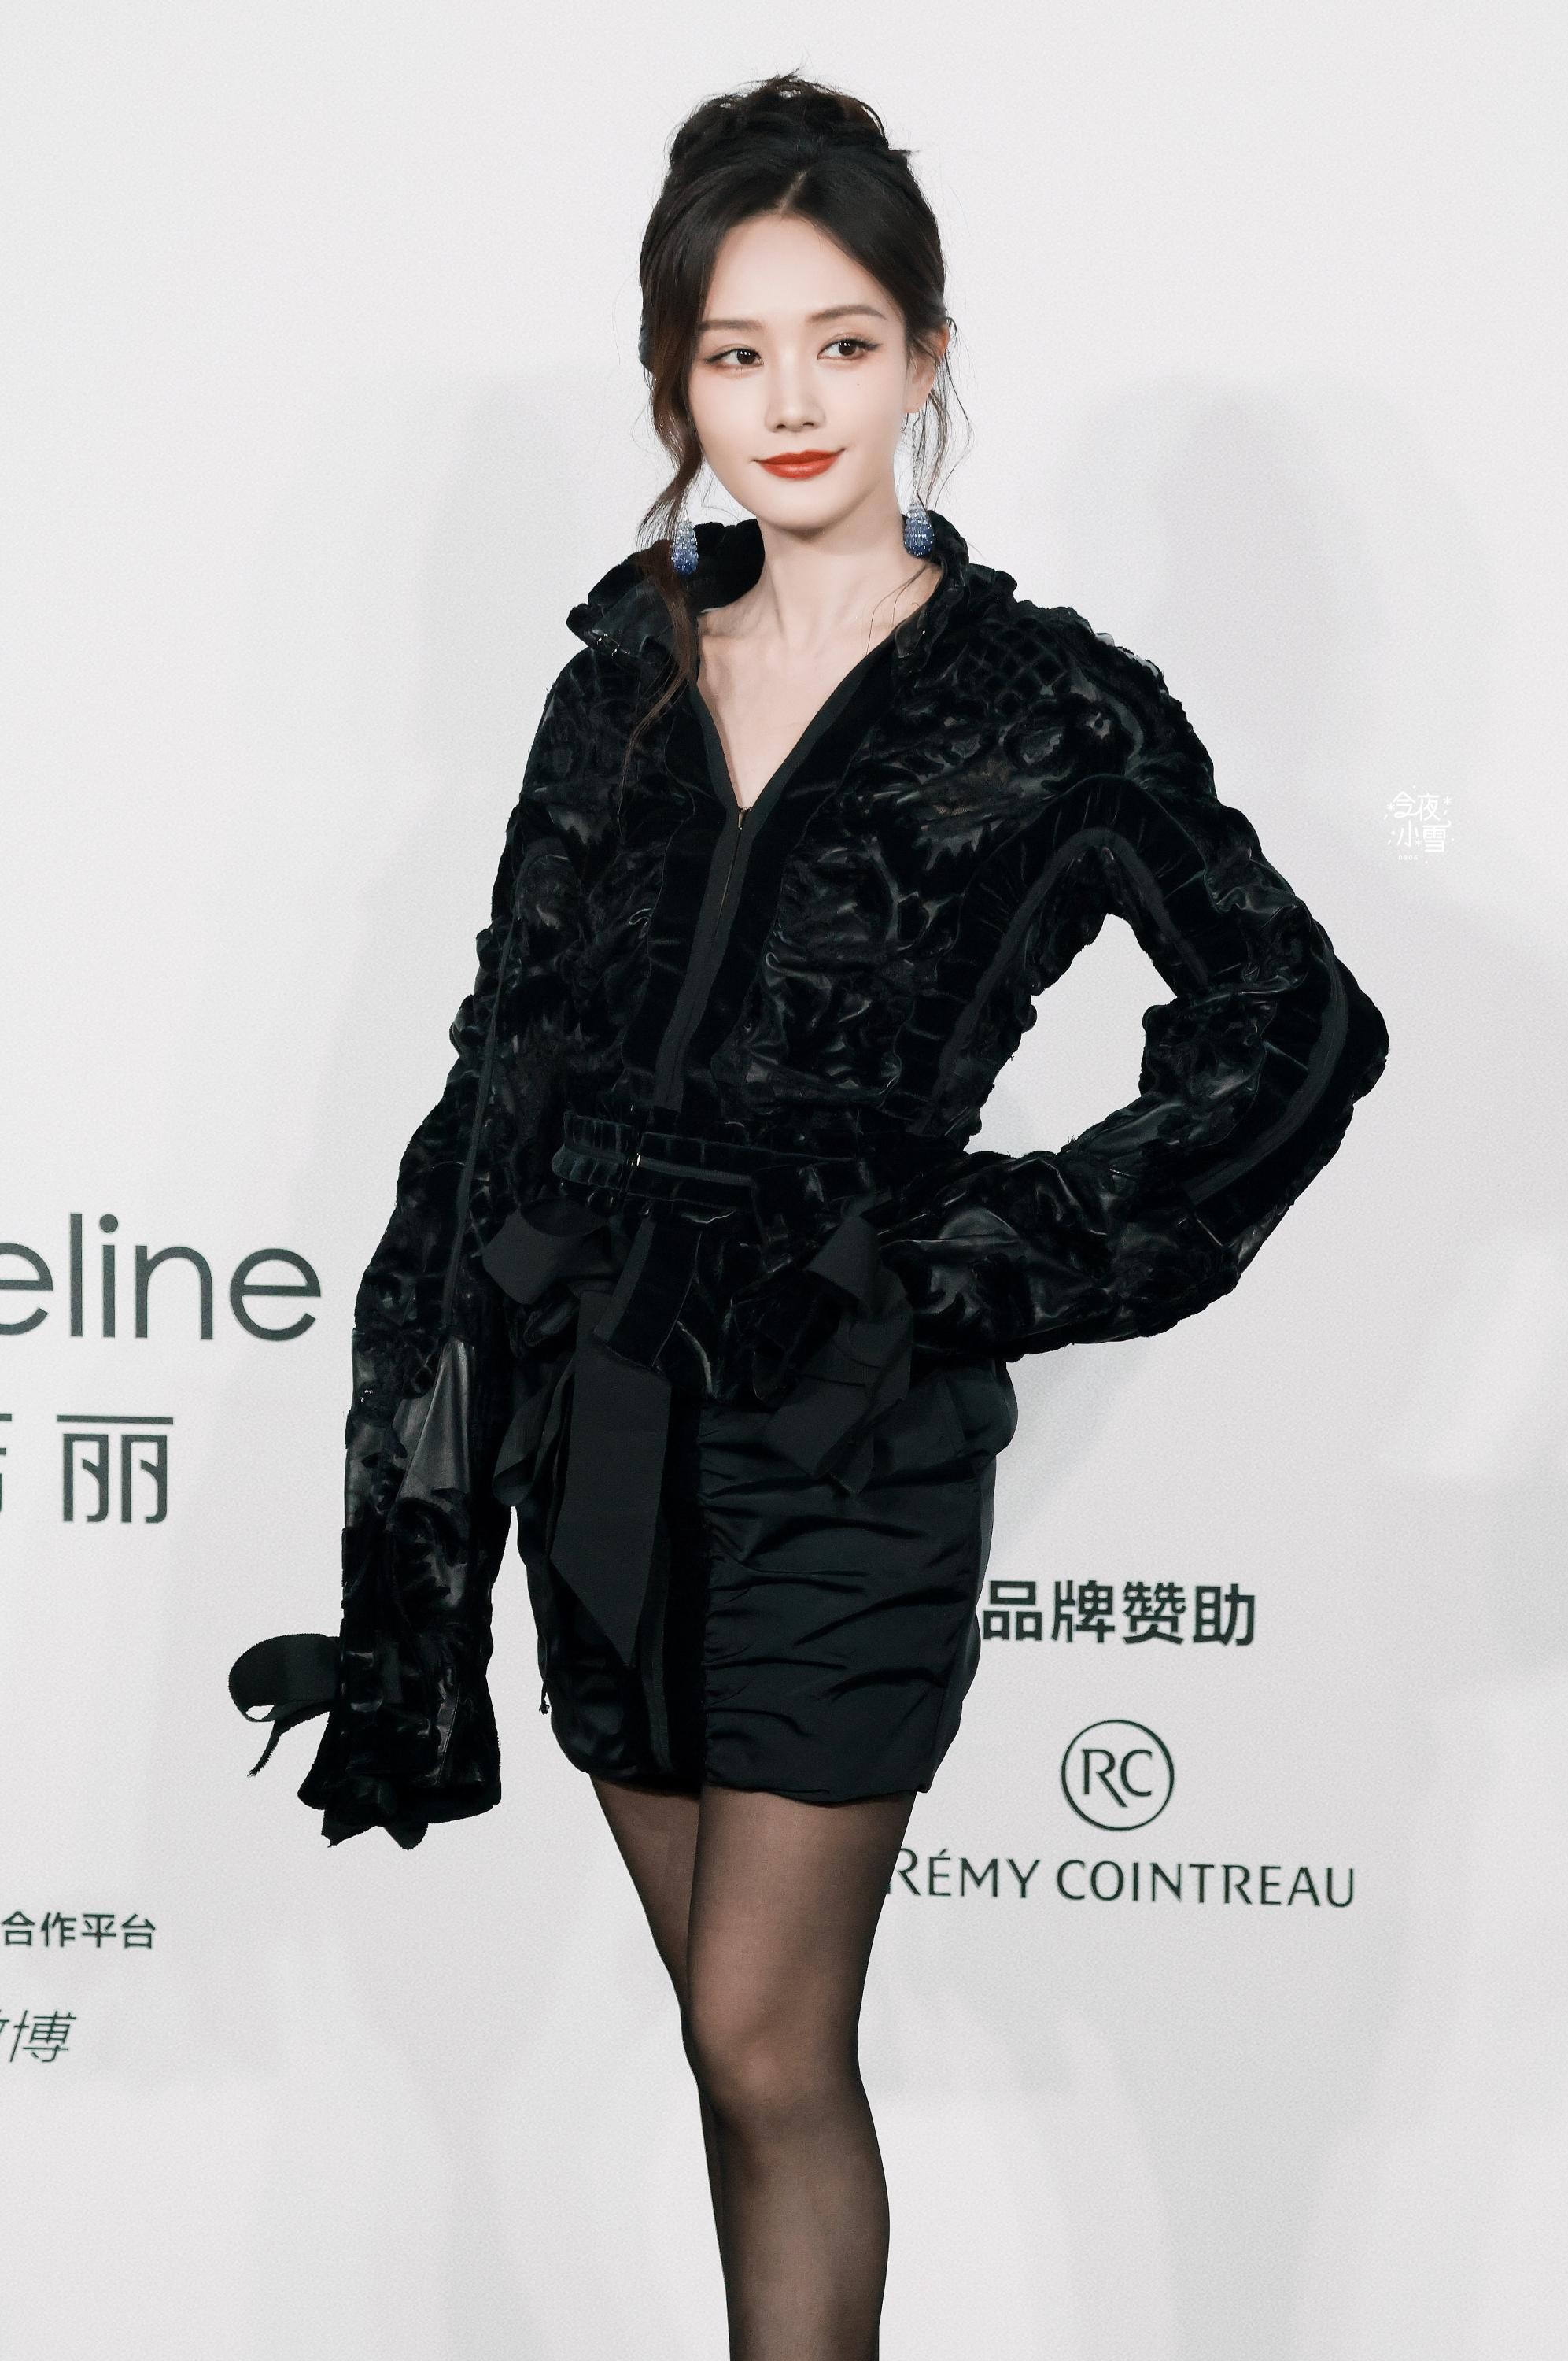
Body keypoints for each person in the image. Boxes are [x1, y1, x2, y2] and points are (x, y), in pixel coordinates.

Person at [230, 72, 1389, 2361]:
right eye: (735, 351)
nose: (787, 401)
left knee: (766, 2037)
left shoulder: (1049, 710)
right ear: (673, 379)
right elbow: (491, 1101)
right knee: (727, 2052)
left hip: (843, 1441)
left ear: (925, 357)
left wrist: (966, 1260)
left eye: (841, 343)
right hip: (595, 1427)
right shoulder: (615, 683)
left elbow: (1296, 1027)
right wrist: (411, 1538)